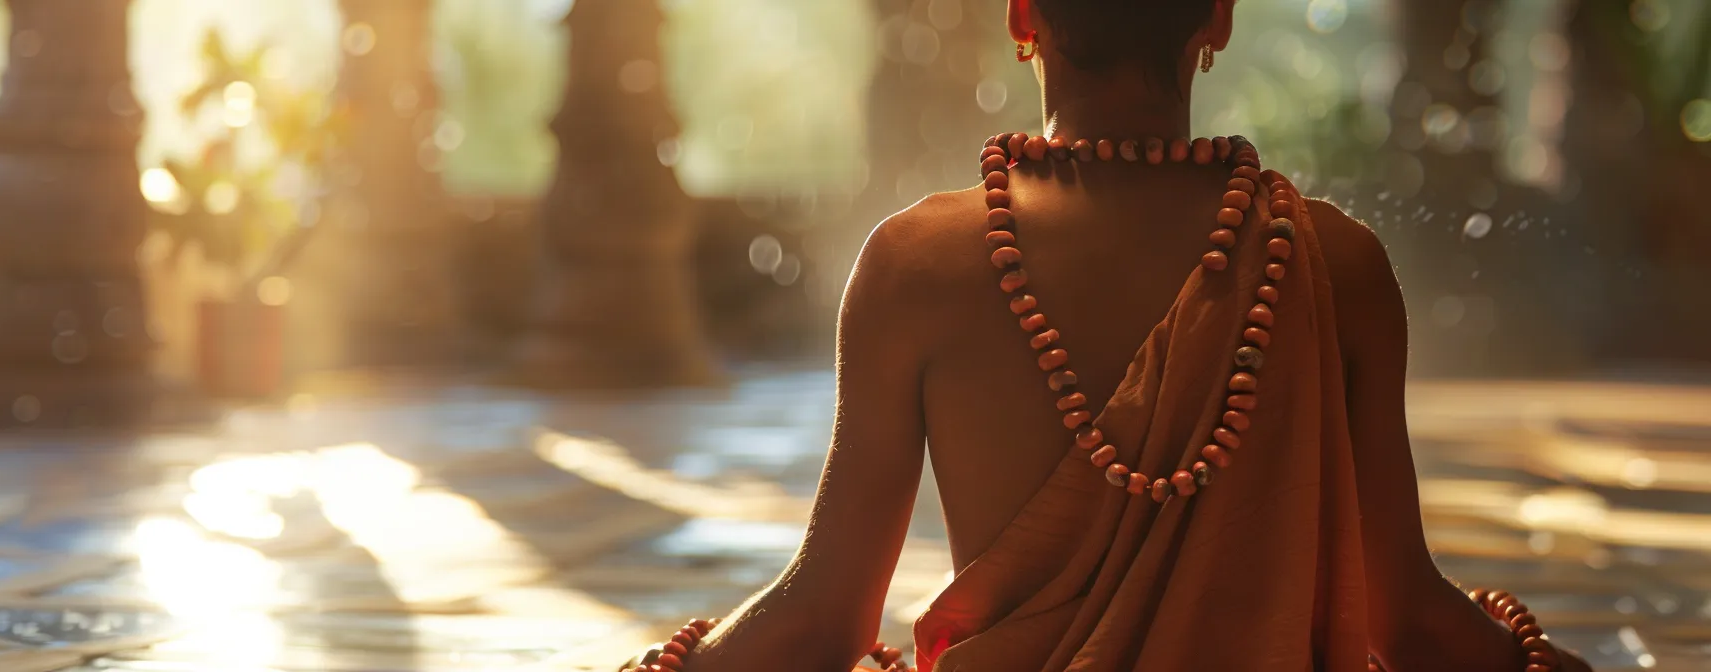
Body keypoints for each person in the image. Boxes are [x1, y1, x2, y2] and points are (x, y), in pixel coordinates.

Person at [645, 1, 1595, 670]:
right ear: (1217, 18)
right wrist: (1544, 660)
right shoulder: (1332, 264)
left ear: (1022, 16)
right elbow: (1410, 629)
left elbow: (821, 627)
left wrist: (664, 666)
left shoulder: (916, 263)